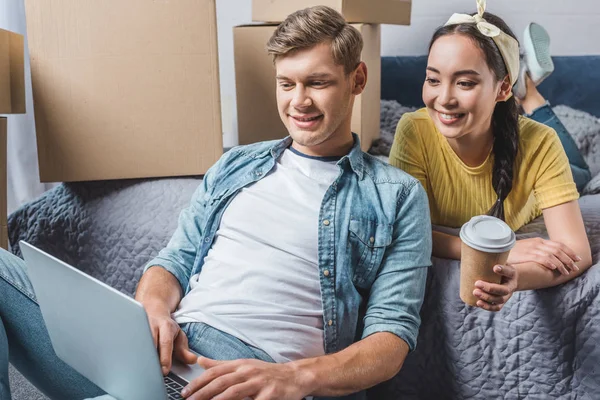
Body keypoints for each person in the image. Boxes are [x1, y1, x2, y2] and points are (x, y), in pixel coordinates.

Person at [0, 6, 432, 400]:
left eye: (317, 83)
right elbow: (174, 260)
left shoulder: (395, 195)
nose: (298, 101)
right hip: (161, 350)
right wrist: (152, 308)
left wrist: (293, 377)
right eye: (287, 83)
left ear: (357, 79)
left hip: (245, 372)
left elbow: (390, 340)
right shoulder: (236, 164)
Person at [389, 0, 592, 313]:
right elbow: (402, 231)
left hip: (546, 167)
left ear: (501, 88)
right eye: (433, 79)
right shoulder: (413, 130)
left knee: (582, 172)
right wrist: (501, 253)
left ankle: (532, 96)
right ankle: (529, 87)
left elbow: (578, 251)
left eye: (465, 83)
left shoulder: (540, 144)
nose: (443, 99)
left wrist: (517, 278)